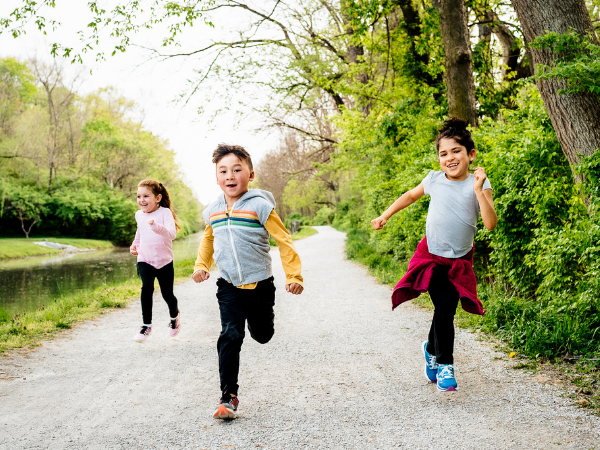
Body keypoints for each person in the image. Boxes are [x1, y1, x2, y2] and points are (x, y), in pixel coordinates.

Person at [371, 118, 497, 392]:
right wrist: (385, 215)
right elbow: (409, 196)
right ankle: (445, 365)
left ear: (470, 154)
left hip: (460, 260)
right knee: (444, 307)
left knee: (445, 308)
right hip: (431, 255)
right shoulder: (434, 179)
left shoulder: (480, 184)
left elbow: (489, 223)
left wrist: (478, 190)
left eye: (456, 151)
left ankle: (430, 348)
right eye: (444, 153)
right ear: (438, 158)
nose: (450, 158)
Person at [193, 144, 304, 419]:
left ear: (250, 175)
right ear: (217, 178)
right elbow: (208, 240)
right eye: (223, 171)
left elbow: (284, 240)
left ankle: (259, 322)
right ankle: (228, 396)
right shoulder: (212, 211)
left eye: (237, 169)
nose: (230, 175)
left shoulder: (260, 206)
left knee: (263, 335)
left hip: (261, 285)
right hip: (228, 285)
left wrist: (293, 276)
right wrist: (201, 265)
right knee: (230, 335)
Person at [130, 179, 182, 343]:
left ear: (158, 198)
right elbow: (140, 232)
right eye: (139, 196)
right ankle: (146, 325)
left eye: (146, 196)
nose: (141, 200)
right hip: (145, 258)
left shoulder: (164, 213)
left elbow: (172, 234)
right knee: (146, 288)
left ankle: (174, 317)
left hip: (164, 261)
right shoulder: (139, 215)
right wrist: (135, 245)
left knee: (167, 294)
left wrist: (157, 227)